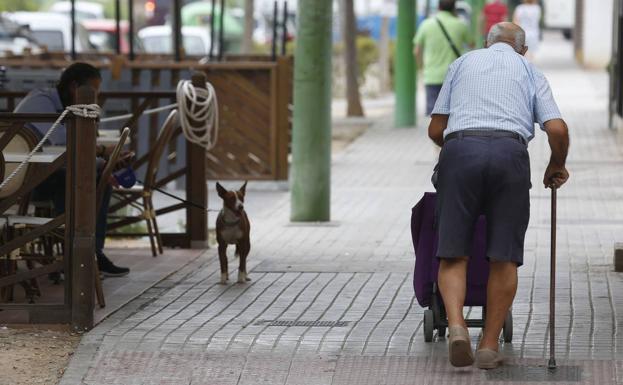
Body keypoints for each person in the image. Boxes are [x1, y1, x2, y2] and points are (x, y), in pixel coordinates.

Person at [428, 22, 569, 369]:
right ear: (522, 49)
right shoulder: (529, 70)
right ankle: (489, 346)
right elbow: (557, 128)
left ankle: (458, 327)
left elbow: (435, 128)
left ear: (486, 43)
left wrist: (461, 152)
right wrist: (556, 164)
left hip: (461, 149)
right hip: (511, 155)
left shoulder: (462, 63)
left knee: (452, 254)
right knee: (504, 257)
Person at [14, 62, 130, 277]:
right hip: (19, 183)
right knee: (73, 180)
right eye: (92, 92)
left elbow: (73, 150)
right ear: (74, 87)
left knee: (97, 177)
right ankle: (75, 256)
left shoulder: (69, 107)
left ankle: (90, 253)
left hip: (43, 174)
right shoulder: (42, 102)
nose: (95, 98)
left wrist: (105, 161)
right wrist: (102, 151)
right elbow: (61, 144)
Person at [414, 0, 473, 117]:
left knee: (433, 116)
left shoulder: (426, 24)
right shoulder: (460, 24)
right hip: (455, 76)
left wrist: (420, 67)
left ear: (438, 8)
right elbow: (472, 46)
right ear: (454, 9)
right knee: (452, 114)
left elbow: (416, 51)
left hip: (431, 75)